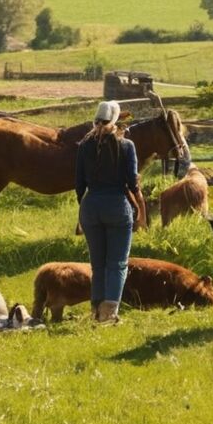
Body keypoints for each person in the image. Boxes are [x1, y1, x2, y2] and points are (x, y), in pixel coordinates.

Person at [76, 100, 144, 325]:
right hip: (117, 206)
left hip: (90, 206)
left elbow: (79, 184)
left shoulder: (84, 145)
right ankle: (109, 313)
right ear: (116, 121)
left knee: (98, 264)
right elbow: (131, 181)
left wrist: (83, 208)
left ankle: (95, 309)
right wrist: (138, 200)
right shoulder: (126, 146)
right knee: (117, 264)